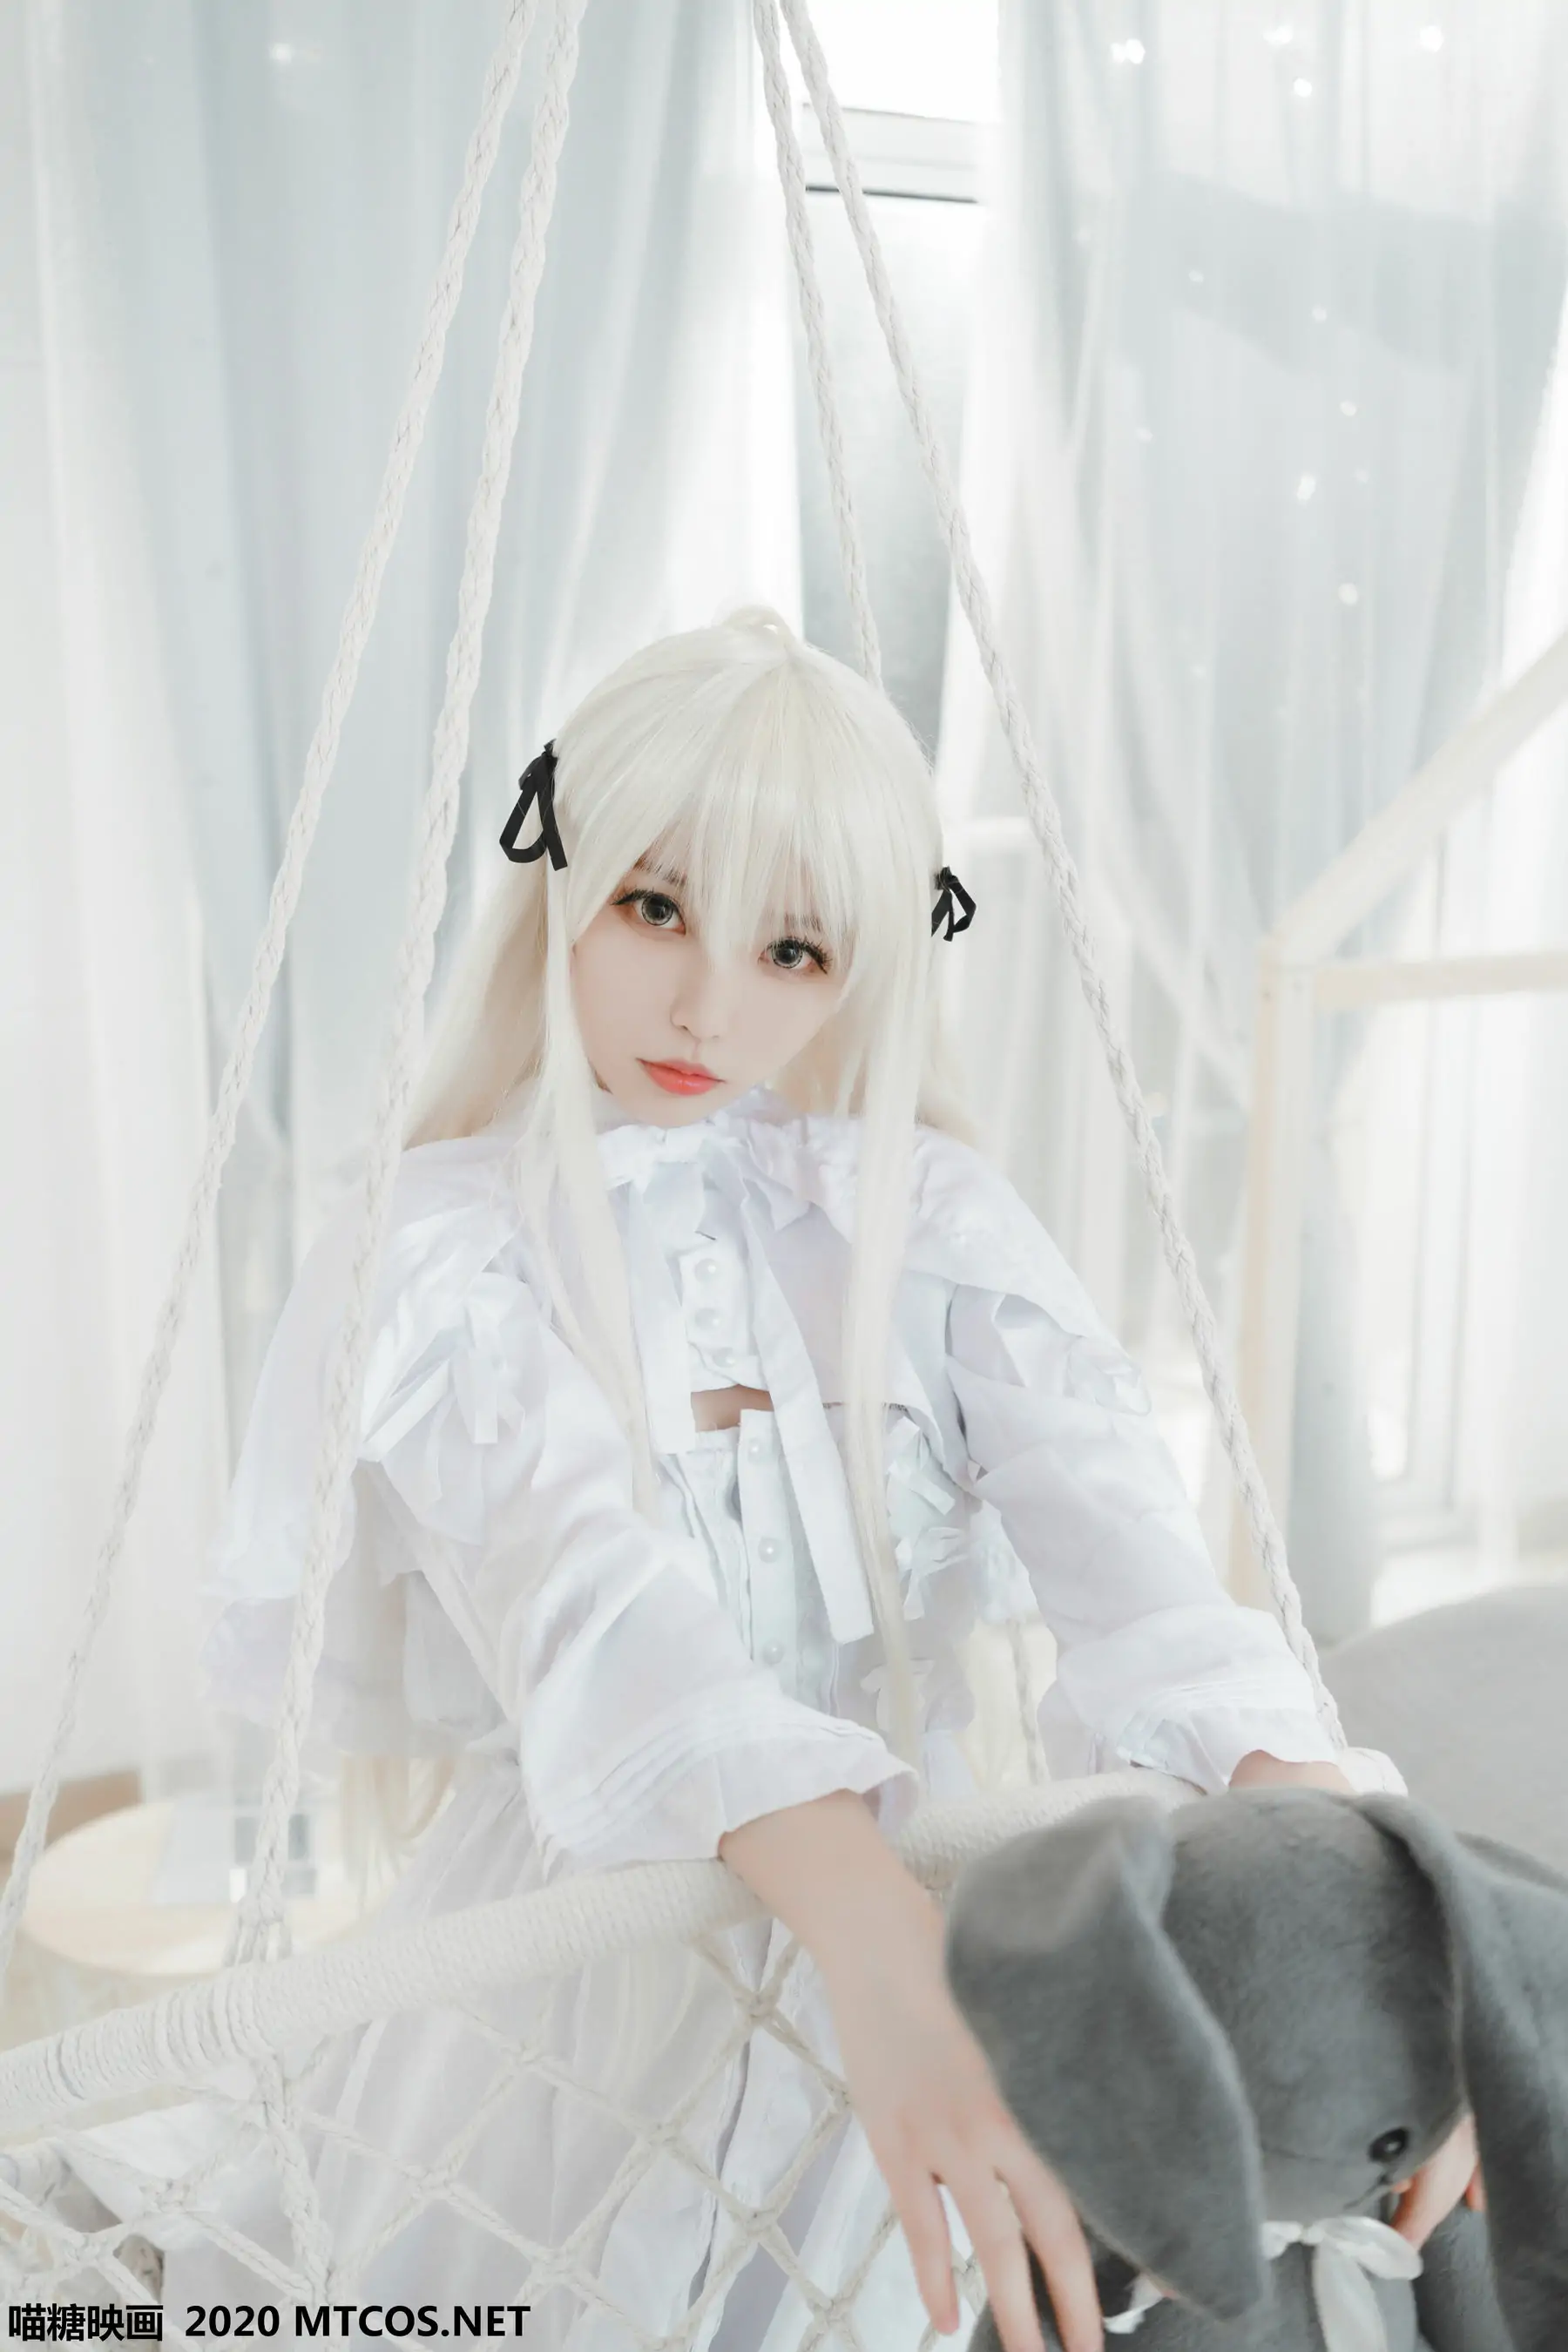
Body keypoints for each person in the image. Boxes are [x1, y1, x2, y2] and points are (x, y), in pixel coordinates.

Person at [48, 608, 1478, 2350]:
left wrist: (1360, 1910)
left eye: (793, 947)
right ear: (564, 884)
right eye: (656, 907)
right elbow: (597, 1608)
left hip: (943, 1939)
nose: (711, 1006)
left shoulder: (924, 1214)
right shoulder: (447, 1250)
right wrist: (871, 1942)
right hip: (579, 1969)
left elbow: (1153, 1587)